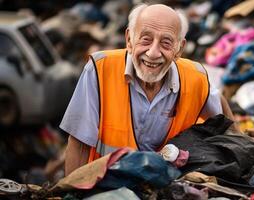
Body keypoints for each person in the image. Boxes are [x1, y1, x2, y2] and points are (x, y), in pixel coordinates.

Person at [60, 3, 236, 176]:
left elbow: (218, 105)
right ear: (129, 40)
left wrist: (241, 142)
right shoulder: (100, 69)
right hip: (104, 184)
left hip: (160, 186)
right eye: (146, 40)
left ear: (179, 49)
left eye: (166, 43)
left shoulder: (195, 78)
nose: (153, 53)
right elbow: (79, 143)